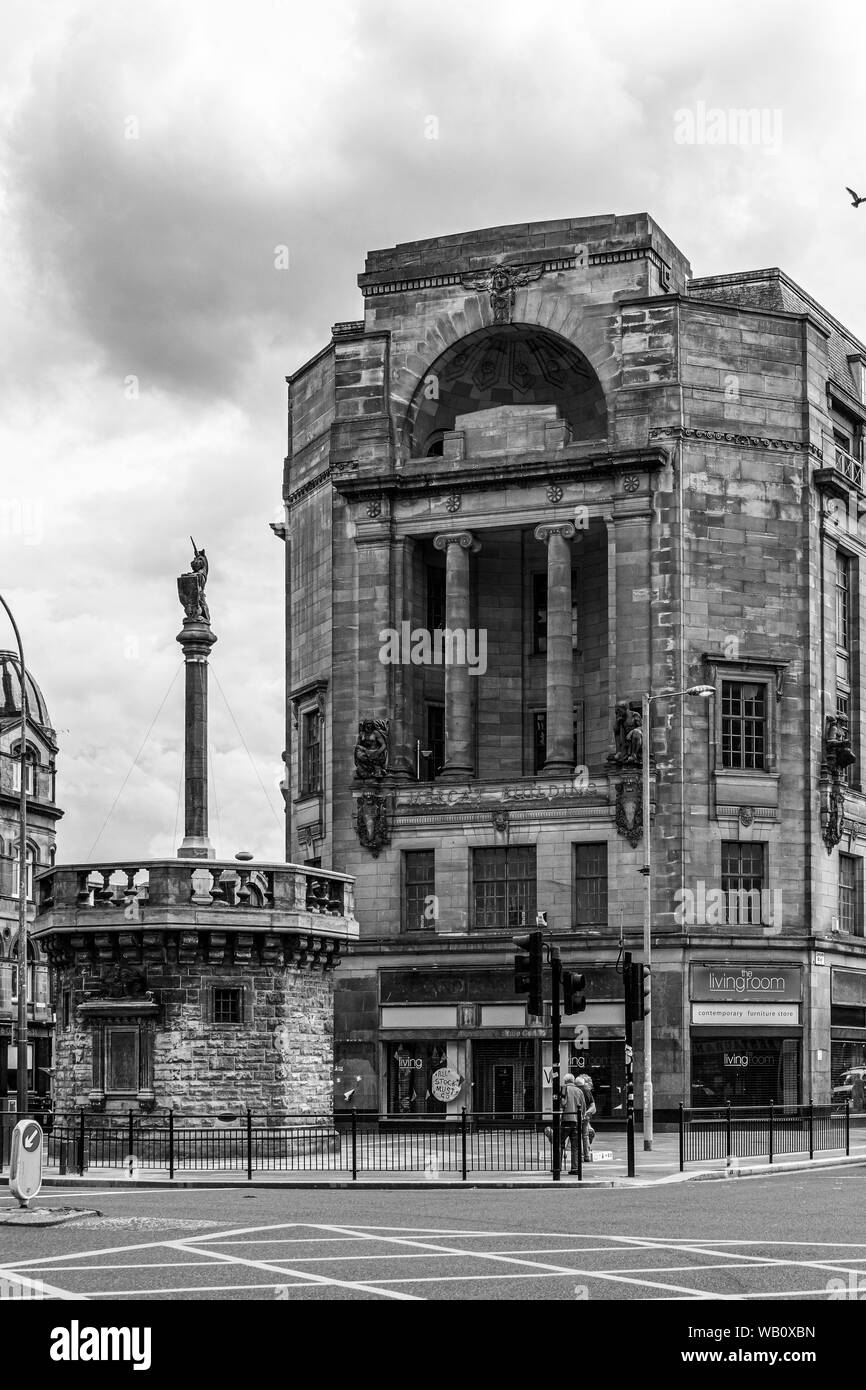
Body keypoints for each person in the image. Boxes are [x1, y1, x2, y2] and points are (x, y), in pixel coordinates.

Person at [559, 1073, 586, 1175]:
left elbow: (562, 1103)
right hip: (576, 1121)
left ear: (565, 1081)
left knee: (560, 1144)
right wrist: (581, 1118)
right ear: (573, 1081)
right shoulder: (579, 1091)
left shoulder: (563, 1089)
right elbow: (583, 1107)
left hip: (565, 1120)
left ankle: (558, 1167)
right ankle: (575, 1168)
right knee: (575, 1146)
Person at [576, 1074, 596, 1161]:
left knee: (576, 1135)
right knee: (585, 1135)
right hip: (583, 1116)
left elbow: (593, 1107)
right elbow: (593, 1106)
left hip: (576, 1116)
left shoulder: (576, 1090)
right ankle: (586, 1154)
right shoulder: (586, 1090)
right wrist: (587, 1113)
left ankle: (581, 1153)